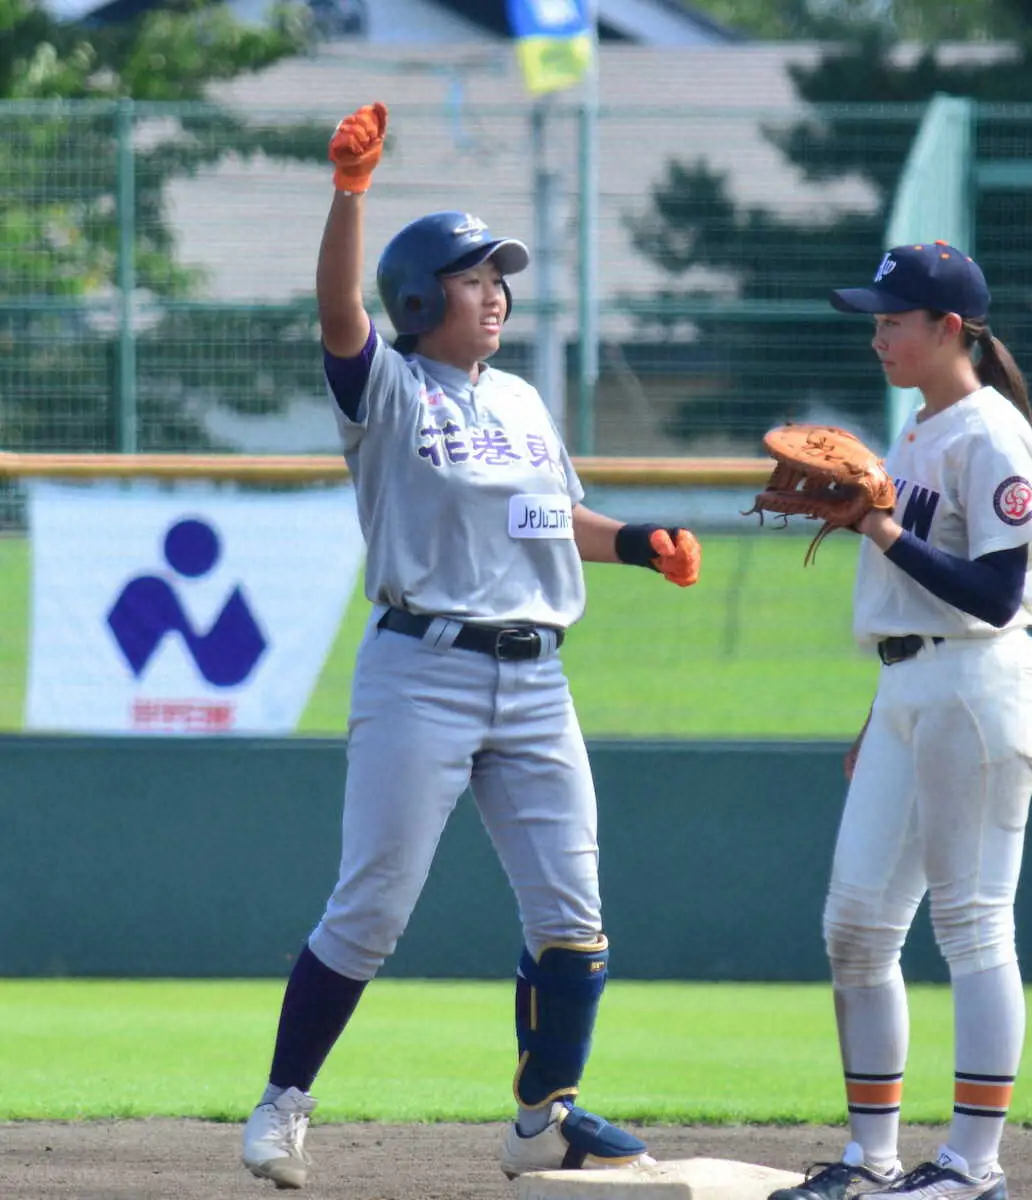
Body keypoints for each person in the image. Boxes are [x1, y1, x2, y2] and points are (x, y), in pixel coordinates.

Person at [240, 102, 702, 1191]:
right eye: (470, 274)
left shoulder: (526, 401)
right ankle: (282, 1104)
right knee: (373, 907)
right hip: (423, 672)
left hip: (537, 677)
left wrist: (637, 543)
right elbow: (336, 315)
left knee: (573, 921)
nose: (494, 289)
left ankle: (546, 1120)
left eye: (500, 274)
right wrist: (350, 194)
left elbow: (548, 521)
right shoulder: (389, 393)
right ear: (417, 299)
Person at [770, 241, 1032, 1200]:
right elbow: (912, 606)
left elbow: (993, 592)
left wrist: (878, 526)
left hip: (980, 684)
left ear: (948, 329)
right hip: (907, 687)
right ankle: (869, 1160)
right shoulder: (916, 428)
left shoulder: (990, 433)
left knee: (973, 925)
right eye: (875, 319)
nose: (879, 334)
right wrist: (876, 712)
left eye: (894, 320)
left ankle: (973, 1167)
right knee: (854, 925)